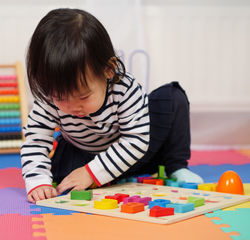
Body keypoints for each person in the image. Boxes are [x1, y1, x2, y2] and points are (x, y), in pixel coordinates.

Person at [21, 8, 203, 204]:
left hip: (135, 153)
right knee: (61, 177)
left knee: (173, 97)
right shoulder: (50, 96)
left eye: (83, 96)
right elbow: (35, 141)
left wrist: (92, 173)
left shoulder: (124, 88)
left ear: (108, 70)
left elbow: (137, 140)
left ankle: (176, 166)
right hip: (83, 155)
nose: (72, 107)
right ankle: (101, 175)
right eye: (60, 98)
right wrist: (38, 182)